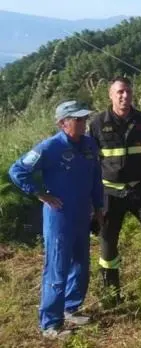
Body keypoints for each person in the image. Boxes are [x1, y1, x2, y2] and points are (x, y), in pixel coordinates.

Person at [8, 100, 104, 338]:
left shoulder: (90, 144)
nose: (83, 123)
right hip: (59, 217)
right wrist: (41, 194)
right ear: (63, 123)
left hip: (83, 213)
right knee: (57, 267)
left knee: (81, 264)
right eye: (78, 120)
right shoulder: (49, 147)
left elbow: (95, 177)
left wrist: (99, 207)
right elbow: (17, 170)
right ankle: (50, 323)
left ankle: (71, 308)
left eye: (84, 119)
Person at [88, 76, 141, 304]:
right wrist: (91, 202)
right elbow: (90, 165)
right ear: (110, 95)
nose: (124, 96)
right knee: (107, 240)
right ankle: (112, 292)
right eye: (120, 92)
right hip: (109, 193)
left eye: (128, 92)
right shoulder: (97, 124)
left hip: (140, 190)